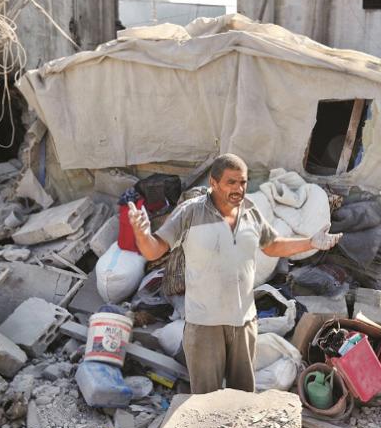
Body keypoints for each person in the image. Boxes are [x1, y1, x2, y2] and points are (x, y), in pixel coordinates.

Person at [128, 153, 341, 394]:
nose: (238, 189)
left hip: (243, 322)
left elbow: (273, 246)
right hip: (204, 324)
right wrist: (142, 234)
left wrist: (311, 242)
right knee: (206, 396)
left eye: (243, 182)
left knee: (242, 395)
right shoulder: (190, 212)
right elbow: (155, 250)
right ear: (213, 182)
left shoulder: (250, 211)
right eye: (231, 182)